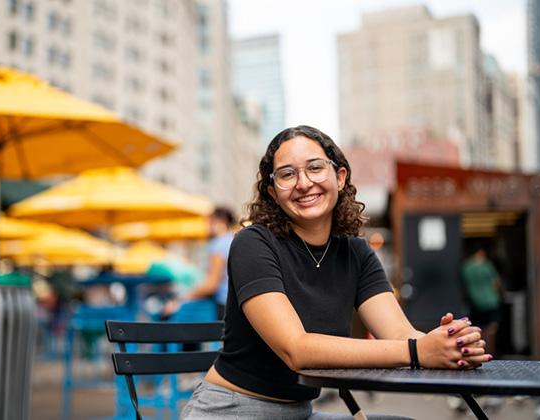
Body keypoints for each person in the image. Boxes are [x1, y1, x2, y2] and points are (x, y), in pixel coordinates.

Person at [181, 125, 492, 420]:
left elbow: (401, 335)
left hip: (300, 413)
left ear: (340, 176)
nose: (303, 183)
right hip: (231, 409)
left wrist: (449, 344)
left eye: (315, 167)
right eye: (287, 174)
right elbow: (297, 349)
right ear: (273, 193)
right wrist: (417, 351)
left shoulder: (356, 252)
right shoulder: (253, 243)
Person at [162, 206, 236, 319]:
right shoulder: (234, 240)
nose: (207, 227)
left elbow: (212, 284)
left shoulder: (219, 244)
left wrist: (182, 299)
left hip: (223, 304)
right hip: (236, 301)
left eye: (210, 222)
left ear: (220, 222)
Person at [462, 245, 502, 356]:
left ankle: (478, 353)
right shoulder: (486, 265)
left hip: (475, 302)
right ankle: (490, 353)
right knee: (491, 330)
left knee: (476, 330)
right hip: (491, 302)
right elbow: (496, 283)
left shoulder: (466, 267)